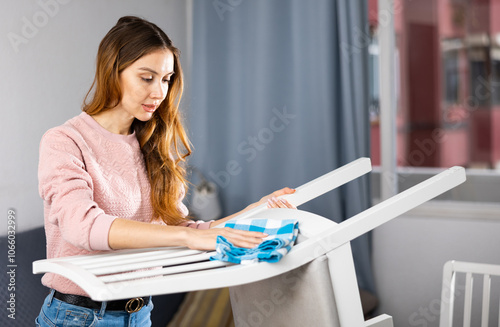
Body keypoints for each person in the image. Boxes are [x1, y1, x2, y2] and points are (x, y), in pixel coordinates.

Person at [35, 16, 295, 327]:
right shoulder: (65, 141)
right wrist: (185, 236)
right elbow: (82, 226)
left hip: (140, 314)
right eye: (147, 78)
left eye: (166, 79)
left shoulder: (152, 145)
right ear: (112, 72)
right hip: (78, 317)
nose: (159, 92)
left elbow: (178, 231)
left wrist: (255, 211)